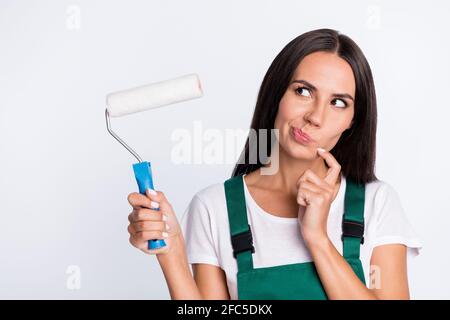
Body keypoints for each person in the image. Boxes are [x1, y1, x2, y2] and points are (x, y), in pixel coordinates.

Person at [126, 28, 423, 299]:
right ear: (277, 94)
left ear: (352, 121)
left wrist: (318, 238)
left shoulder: (376, 203)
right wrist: (173, 254)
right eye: (303, 91)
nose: (315, 117)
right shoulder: (215, 208)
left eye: (338, 102)